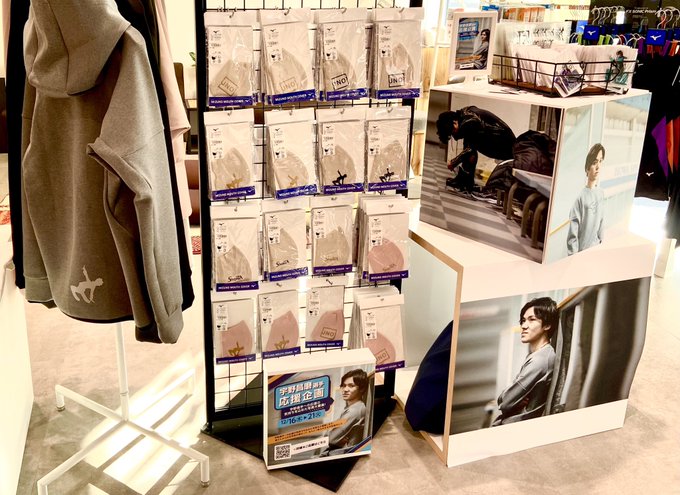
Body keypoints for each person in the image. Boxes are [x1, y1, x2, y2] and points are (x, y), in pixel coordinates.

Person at [492, 297, 557, 426]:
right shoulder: (538, 355)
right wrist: (513, 398)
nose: (523, 326)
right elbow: (507, 400)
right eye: (523, 321)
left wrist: (510, 399)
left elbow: (505, 402)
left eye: (531, 320)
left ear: (547, 325)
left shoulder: (540, 360)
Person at [436, 107, 515, 193]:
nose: (455, 137)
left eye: (453, 132)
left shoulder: (469, 121)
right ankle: (463, 181)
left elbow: (470, 149)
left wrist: (453, 162)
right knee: (469, 144)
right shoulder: (465, 115)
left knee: (470, 149)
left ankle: (465, 182)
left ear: (455, 122)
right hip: (503, 140)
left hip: (504, 144)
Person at [567, 143, 606, 255]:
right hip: (582, 254)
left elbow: (601, 222)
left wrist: (601, 245)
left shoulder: (601, 194)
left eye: (600, 161)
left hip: (596, 251)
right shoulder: (580, 198)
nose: (598, 167)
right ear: (587, 168)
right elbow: (572, 235)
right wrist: (574, 257)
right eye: (594, 163)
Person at [327, 368, 369, 454]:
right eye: (344, 385)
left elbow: (331, 439)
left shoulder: (355, 410)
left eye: (351, 386)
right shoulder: (352, 407)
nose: (345, 389)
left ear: (361, 389)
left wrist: (334, 434)